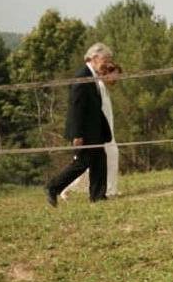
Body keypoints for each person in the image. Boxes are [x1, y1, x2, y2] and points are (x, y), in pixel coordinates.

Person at [45, 43, 114, 207]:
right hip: (84, 131)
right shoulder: (82, 76)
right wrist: (77, 134)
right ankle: (53, 187)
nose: (107, 63)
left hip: (94, 130)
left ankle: (98, 196)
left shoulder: (93, 75)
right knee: (82, 163)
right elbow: (76, 107)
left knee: (99, 161)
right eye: (105, 59)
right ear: (95, 58)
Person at [59, 63, 122, 200]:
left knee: (103, 162)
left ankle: (109, 190)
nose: (117, 78)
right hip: (98, 134)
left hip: (105, 133)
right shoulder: (97, 86)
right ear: (107, 73)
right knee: (91, 164)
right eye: (115, 74)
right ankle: (108, 190)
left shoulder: (102, 88)